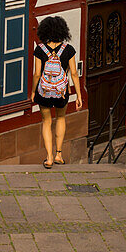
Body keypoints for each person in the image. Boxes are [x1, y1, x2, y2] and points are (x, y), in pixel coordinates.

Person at [32, 15, 83, 168]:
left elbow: (37, 74)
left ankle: (48, 157)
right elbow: (74, 73)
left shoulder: (39, 49)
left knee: (46, 122)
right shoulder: (68, 50)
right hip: (62, 92)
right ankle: (59, 155)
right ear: (63, 31)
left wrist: (33, 92)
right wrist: (79, 95)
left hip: (44, 92)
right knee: (60, 119)